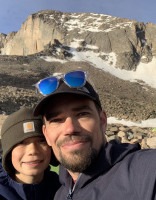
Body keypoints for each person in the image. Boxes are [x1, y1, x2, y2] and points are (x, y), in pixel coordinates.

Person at [33, 70, 156, 200]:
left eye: (82, 114)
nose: (70, 129)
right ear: (46, 135)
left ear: (102, 121)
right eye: (56, 120)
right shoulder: (59, 195)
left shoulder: (144, 171)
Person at [0, 107, 60, 200]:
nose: (33, 150)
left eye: (41, 141)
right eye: (21, 142)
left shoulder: (63, 190)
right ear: (9, 153)